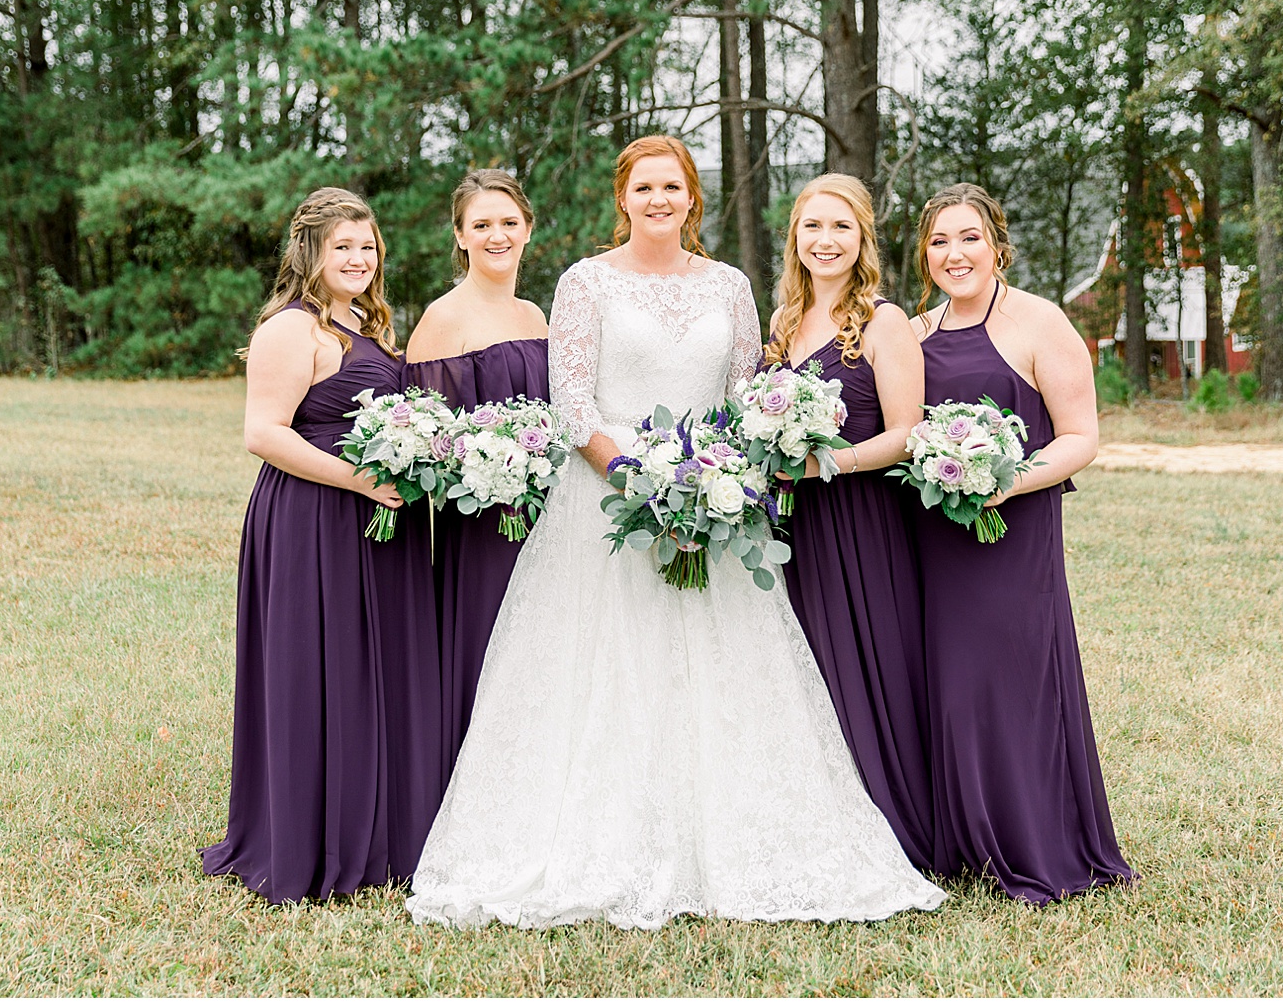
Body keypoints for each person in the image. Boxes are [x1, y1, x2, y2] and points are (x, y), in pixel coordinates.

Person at [406, 136, 944, 930]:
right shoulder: (583, 283)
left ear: (694, 198)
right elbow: (574, 405)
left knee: (720, 675)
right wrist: (643, 483)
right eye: (644, 186)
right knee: (600, 678)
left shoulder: (730, 286)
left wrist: (709, 485)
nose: (660, 199)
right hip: (603, 509)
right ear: (622, 198)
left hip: (715, 506)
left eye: (674, 186)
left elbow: (742, 398)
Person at [201, 188, 440, 903]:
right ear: (310, 251)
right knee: (320, 668)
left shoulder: (366, 322)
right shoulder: (290, 328)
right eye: (344, 246)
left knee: (376, 671)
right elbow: (264, 433)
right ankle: (314, 836)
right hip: (313, 518)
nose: (360, 258)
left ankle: (383, 831)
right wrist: (360, 480)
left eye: (368, 246)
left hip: (378, 524)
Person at [908, 183, 1135, 904]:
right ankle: (962, 841)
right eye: (940, 241)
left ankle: (1035, 838)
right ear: (925, 254)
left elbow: (1082, 437)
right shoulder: (913, 333)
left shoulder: (1041, 322)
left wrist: (1006, 480)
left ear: (997, 244)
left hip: (1015, 531)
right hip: (933, 538)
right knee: (950, 689)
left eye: (969, 236)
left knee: (1014, 680)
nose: (955, 253)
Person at [764, 173, 933, 870]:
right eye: (812, 227)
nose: (825, 241)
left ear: (862, 236)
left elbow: (908, 433)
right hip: (791, 530)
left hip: (861, 521)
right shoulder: (781, 322)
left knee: (867, 667)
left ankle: (894, 826)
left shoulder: (883, 321)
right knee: (802, 675)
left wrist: (829, 465)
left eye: (840, 228)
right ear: (794, 237)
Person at [404, 169, 550, 765]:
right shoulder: (442, 320)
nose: (497, 236)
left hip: (543, 517)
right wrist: (484, 463)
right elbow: (421, 435)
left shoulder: (537, 317)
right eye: (482, 225)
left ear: (528, 231)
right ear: (460, 236)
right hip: (480, 522)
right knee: (489, 645)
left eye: (508, 223)